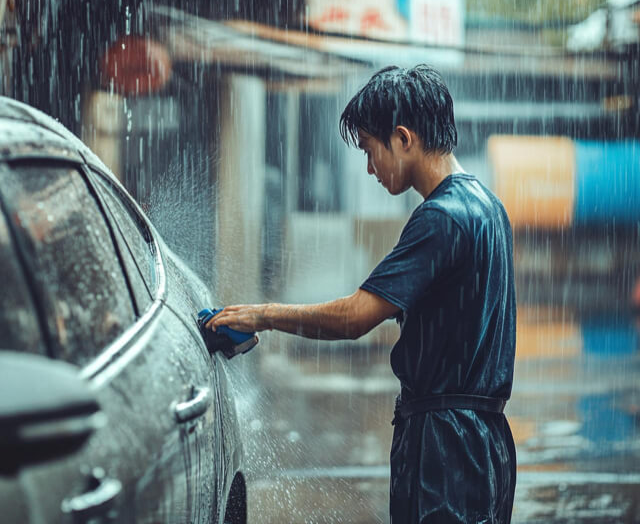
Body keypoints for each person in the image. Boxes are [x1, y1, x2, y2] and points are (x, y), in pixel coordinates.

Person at [207, 64, 517, 523]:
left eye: (371, 150)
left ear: (404, 138)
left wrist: (262, 315)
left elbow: (356, 317)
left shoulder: (441, 217)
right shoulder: (489, 207)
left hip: (443, 446)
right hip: (487, 443)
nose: (369, 168)